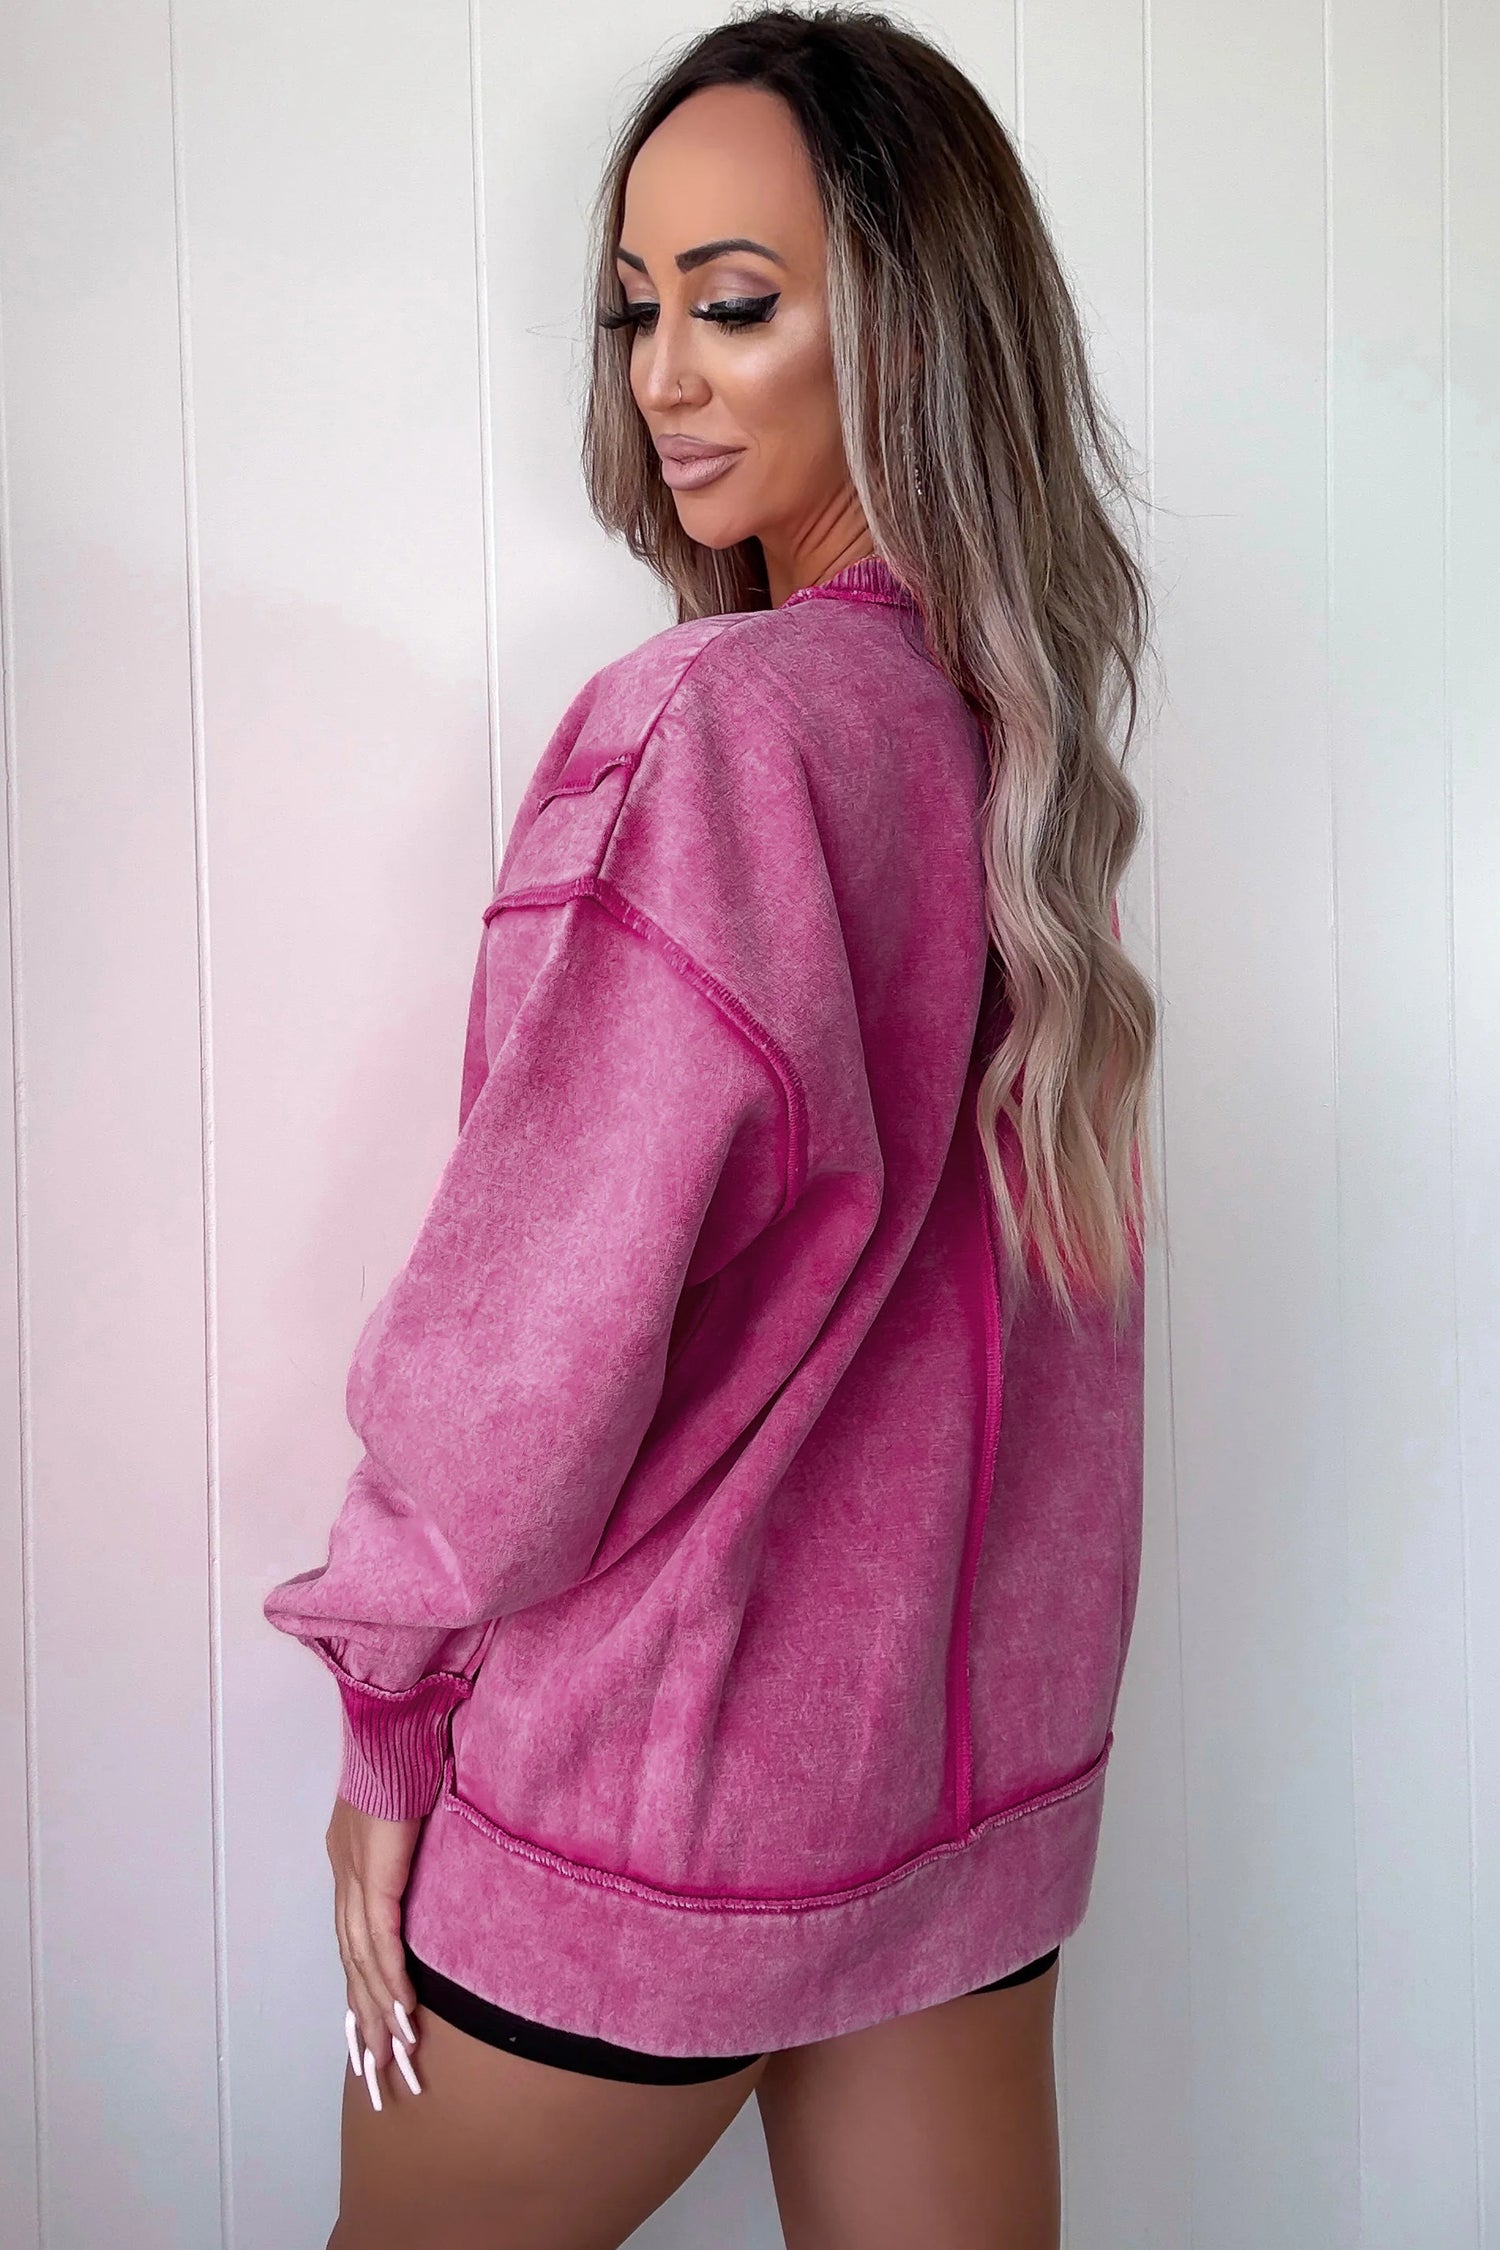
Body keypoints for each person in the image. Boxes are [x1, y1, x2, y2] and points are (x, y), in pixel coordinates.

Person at [262, 8, 1159, 2245]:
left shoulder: (716, 731)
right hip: (954, 1817)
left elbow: (529, 1338)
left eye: (736, 305)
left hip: (655, 1808)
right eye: (634, 310)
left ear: (910, 332)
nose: (665, 373)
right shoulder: (1018, 757)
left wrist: (390, 1712)